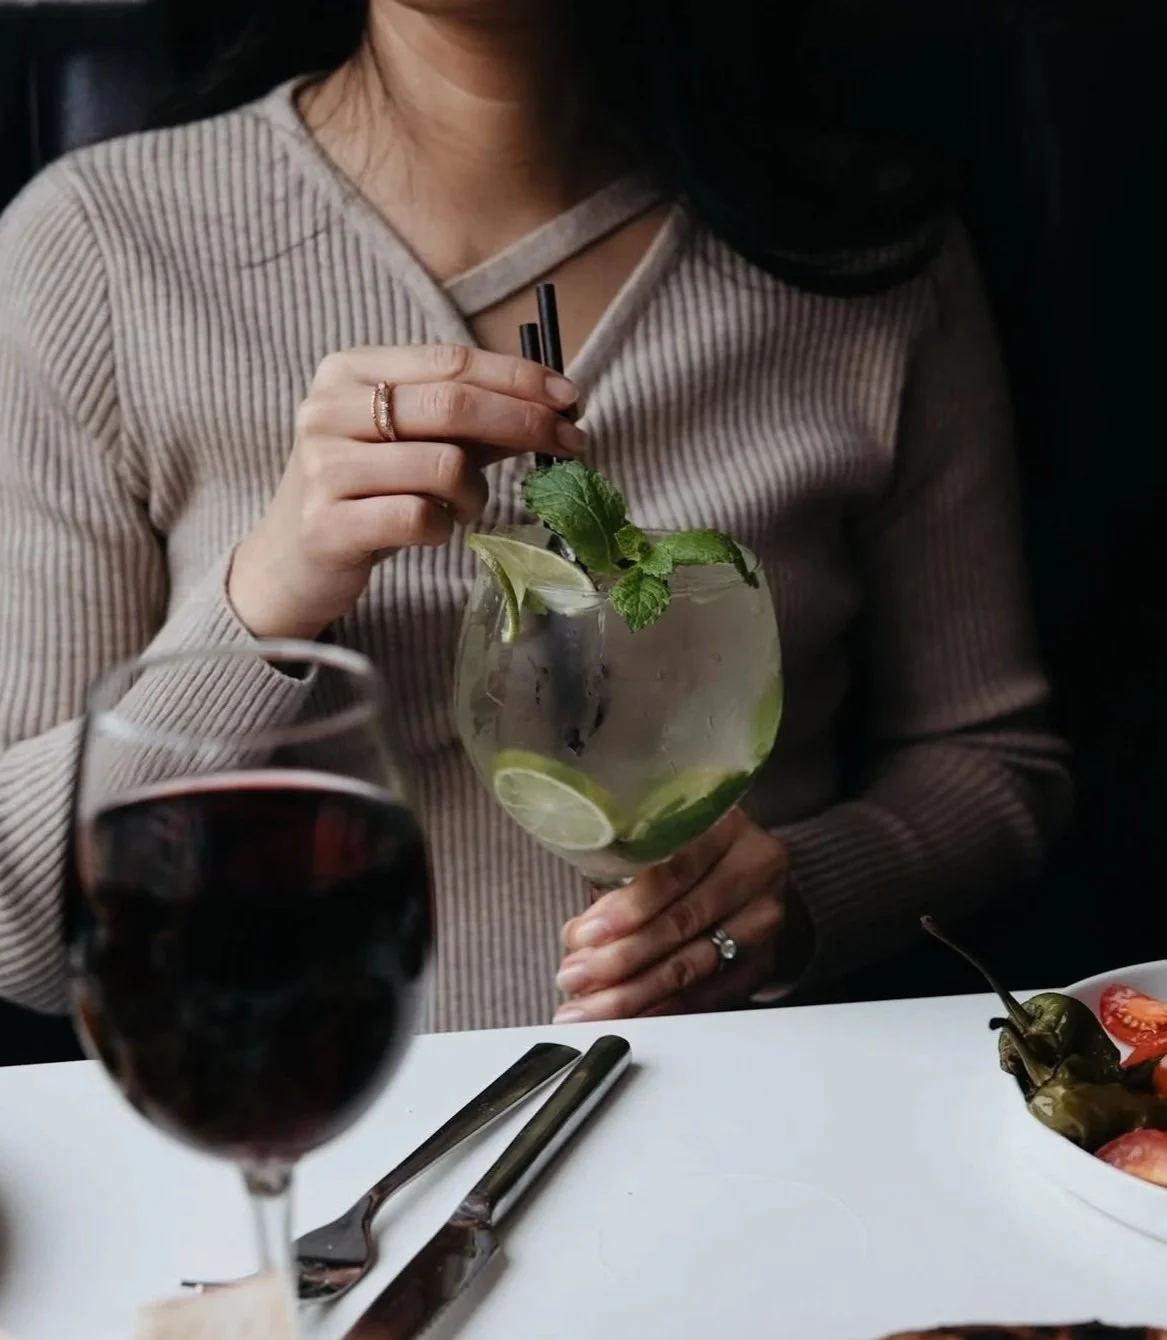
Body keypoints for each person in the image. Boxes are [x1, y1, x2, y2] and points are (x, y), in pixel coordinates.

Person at [0, 0, 1070, 1033]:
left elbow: (990, 764)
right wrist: (268, 593)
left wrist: (796, 906)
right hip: (294, 1130)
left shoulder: (872, 253)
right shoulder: (89, 252)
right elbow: (29, 930)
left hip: (755, 1134)